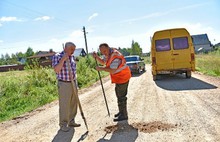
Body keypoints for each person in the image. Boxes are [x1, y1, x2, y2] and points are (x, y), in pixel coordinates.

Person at [93, 43, 131, 122]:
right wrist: (97, 57)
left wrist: (101, 68)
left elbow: (112, 69)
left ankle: (124, 115)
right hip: (119, 78)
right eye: (102, 52)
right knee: (118, 94)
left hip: (123, 77)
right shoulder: (108, 54)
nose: (104, 53)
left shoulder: (115, 55)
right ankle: (121, 112)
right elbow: (104, 62)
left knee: (121, 96)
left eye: (105, 51)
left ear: (108, 48)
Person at [52, 42, 81, 132]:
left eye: (74, 50)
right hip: (64, 84)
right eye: (71, 49)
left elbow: (73, 70)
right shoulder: (57, 56)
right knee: (64, 104)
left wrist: (76, 81)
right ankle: (63, 124)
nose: (73, 52)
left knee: (74, 102)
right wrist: (63, 60)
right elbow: (56, 70)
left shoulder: (72, 57)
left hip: (73, 82)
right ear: (66, 48)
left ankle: (71, 121)